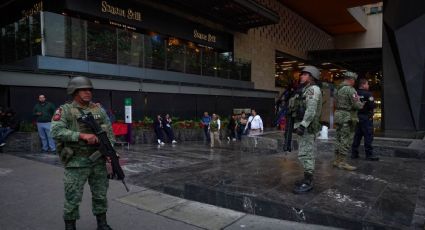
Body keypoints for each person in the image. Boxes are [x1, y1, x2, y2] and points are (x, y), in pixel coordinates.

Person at [50, 76, 115, 230]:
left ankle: (102, 224)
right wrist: (81, 135)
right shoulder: (64, 110)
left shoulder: (98, 110)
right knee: (73, 197)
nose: (88, 92)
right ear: (74, 91)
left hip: (98, 161)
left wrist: (110, 152)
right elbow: (56, 131)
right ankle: (70, 226)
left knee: (100, 194)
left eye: (89, 90)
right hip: (75, 161)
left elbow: (110, 134)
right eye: (83, 90)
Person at [289, 66, 323, 194]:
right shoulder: (305, 89)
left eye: (304, 74)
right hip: (305, 126)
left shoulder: (313, 89)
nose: (301, 76)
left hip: (307, 127)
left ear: (310, 76)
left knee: (306, 153)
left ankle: (308, 181)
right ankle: (306, 177)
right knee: (304, 152)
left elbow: (311, 110)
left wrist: (303, 125)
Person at [333, 71, 365, 171]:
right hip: (347, 116)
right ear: (351, 80)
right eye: (354, 80)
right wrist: (361, 103)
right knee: (346, 139)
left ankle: (337, 161)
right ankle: (342, 162)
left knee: (338, 137)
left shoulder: (338, 89)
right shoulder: (350, 90)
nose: (354, 82)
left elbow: (335, 102)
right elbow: (357, 105)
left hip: (338, 115)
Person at [351, 78, 379, 161]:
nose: (368, 85)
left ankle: (354, 153)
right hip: (366, 118)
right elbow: (372, 105)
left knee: (357, 136)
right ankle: (369, 154)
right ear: (363, 85)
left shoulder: (355, 93)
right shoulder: (368, 94)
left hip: (357, 116)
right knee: (368, 135)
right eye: (367, 84)